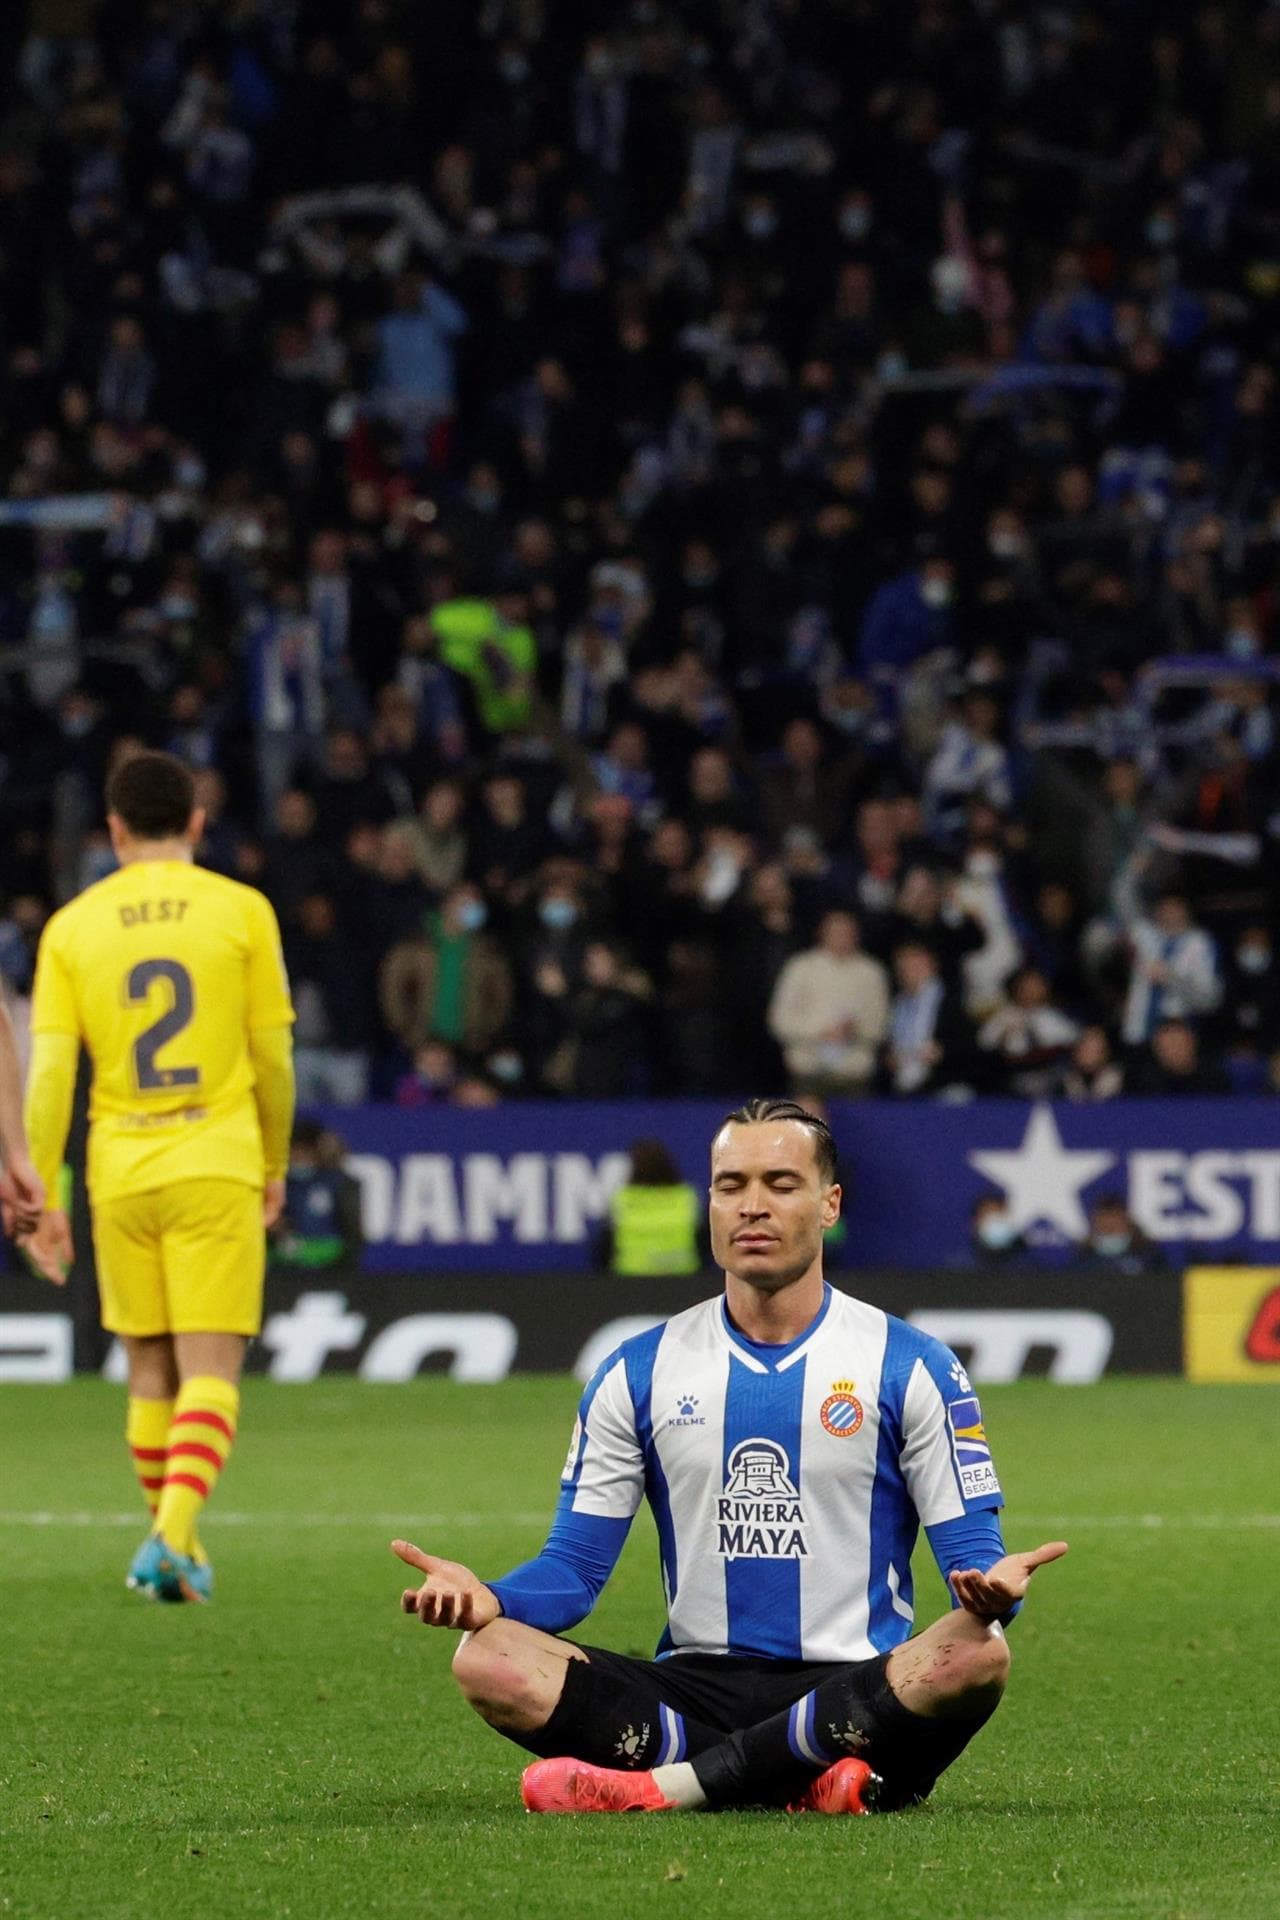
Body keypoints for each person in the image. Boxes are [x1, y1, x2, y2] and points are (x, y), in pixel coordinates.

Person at [392, 1098, 1067, 1816]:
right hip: (693, 1684)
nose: (752, 1207)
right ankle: (806, 1782)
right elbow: (574, 1572)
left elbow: (975, 1562)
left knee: (977, 1654)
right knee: (488, 1658)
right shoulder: (637, 1369)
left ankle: (672, 1786)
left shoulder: (913, 1366)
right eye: (730, 1185)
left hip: (853, 1687)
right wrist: (490, 1598)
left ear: (829, 1202)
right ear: (708, 1202)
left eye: (780, 1184)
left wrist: (996, 1591)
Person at [21, 752, 295, 1603]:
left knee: (148, 1369)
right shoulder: (241, 909)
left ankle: (175, 1553)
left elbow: (48, 1076)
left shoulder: (72, 926)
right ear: (197, 823)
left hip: (119, 1163)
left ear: (113, 830)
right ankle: (169, 1536)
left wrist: (42, 1195)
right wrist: (275, 1161)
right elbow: (272, 1057)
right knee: (210, 1365)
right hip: (213, 1154)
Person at [595, 1138, 706, 1277]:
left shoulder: (622, 1199)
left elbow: (603, 1248)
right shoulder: (687, 1197)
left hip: (629, 1283)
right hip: (683, 1280)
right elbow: (706, 1243)